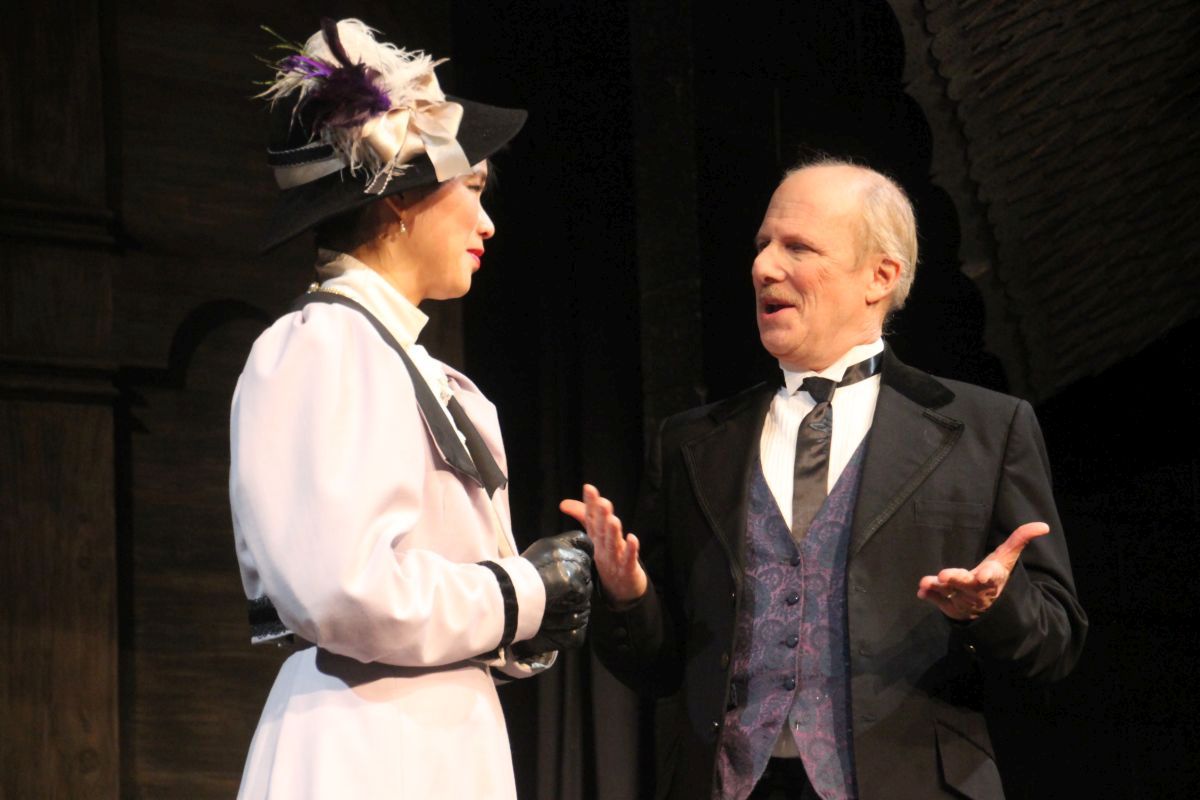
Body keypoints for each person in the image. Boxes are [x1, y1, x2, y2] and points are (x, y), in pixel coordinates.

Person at [562, 159, 1087, 800]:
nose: (763, 267)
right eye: (762, 245)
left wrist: (994, 606)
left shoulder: (985, 429)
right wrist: (630, 597)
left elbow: (1056, 646)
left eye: (798, 248)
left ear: (880, 276)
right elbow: (659, 667)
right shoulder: (693, 442)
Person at [229, 19, 592, 800]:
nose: (488, 223)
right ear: (399, 200)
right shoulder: (323, 347)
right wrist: (523, 591)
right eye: (475, 189)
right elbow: (343, 589)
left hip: (434, 735)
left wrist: (535, 610)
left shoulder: (429, 376)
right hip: (365, 741)